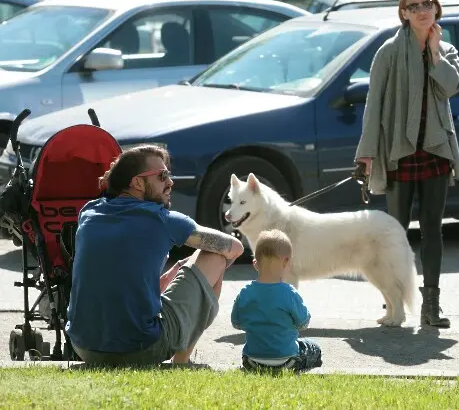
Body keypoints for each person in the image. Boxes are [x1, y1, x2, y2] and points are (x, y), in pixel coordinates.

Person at [65, 145, 245, 366]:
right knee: (215, 257)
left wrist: (177, 268)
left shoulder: (89, 211)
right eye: (163, 176)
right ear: (137, 182)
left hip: (83, 347)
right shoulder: (161, 219)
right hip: (140, 349)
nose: (170, 182)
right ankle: (182, 361)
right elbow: (234, 247)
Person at [354, 0, 459, 328]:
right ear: (403, 13)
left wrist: (434, 51)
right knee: (394, 232)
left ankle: (431, 306)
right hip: (398, 153)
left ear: (436, 8)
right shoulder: (388, 51)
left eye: (427, 4)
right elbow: (373, 107)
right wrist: (367, 153)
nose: (421, 11)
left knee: (433, 229)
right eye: (413, 6)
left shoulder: (446, 50)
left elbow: (452, 86)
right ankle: (394, 303)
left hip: (435, 151)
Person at [231, 229, 322, 372]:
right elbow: (303, 323)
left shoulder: (245, 293)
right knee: (313, 348)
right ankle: (299, 369)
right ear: (286, 262)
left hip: (252, 361)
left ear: (255, 263)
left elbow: (236, 323)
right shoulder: (290, 293)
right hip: (287, 361)